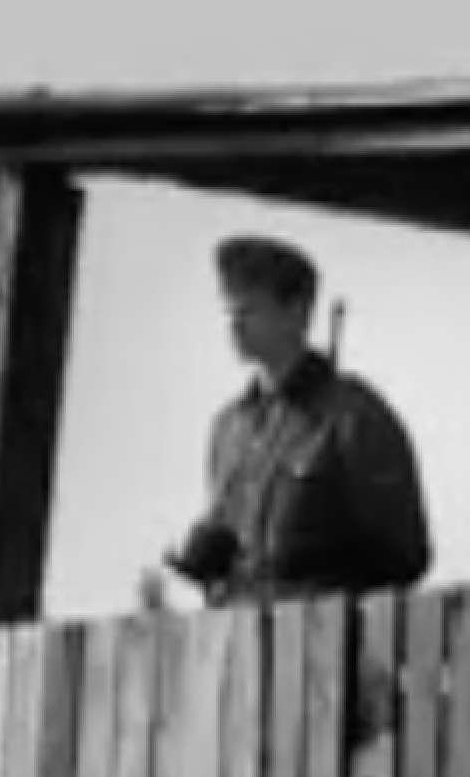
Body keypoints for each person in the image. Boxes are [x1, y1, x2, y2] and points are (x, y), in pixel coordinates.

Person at [165, 235, 432, 606]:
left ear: (298, 312)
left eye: (249, 311)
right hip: (239, 642)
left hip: (328, 645)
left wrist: (324, 568)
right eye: (230, 312)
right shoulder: (228, 428)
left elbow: (406, 556)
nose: (235, 325)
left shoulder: (354, 415)